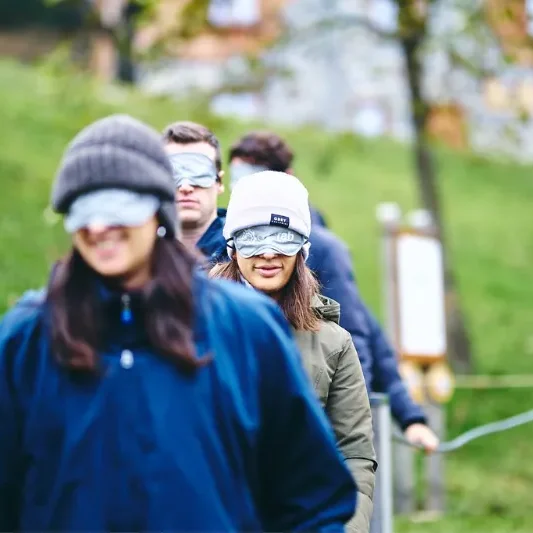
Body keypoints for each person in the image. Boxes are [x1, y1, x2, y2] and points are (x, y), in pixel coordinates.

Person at [0, 115, 358, 531]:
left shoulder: (242, 328)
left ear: (158, 211)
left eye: (119, 208)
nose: (100, 226)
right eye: (84, 209)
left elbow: (310, 498)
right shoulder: (27, 339)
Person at [228, 130, 439, 452]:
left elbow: (358, 331)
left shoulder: (325, 250)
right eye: (240, 178)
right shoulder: (235, 242)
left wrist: (373, 421)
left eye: (260, 176)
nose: (268, 251)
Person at [211, 170, 377, 533]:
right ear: (232, 246)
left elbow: (354, 454)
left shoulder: (334, 343)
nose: (268, 253)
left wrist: (346, 528)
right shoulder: (190, 326)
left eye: (283, 238)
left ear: (303, 248)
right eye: (252, 237)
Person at [162, 121, 227, 266]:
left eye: (199, 174)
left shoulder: (245, 251)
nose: (185, 187)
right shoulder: (139, 255)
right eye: (174, 174)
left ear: (219, 182)